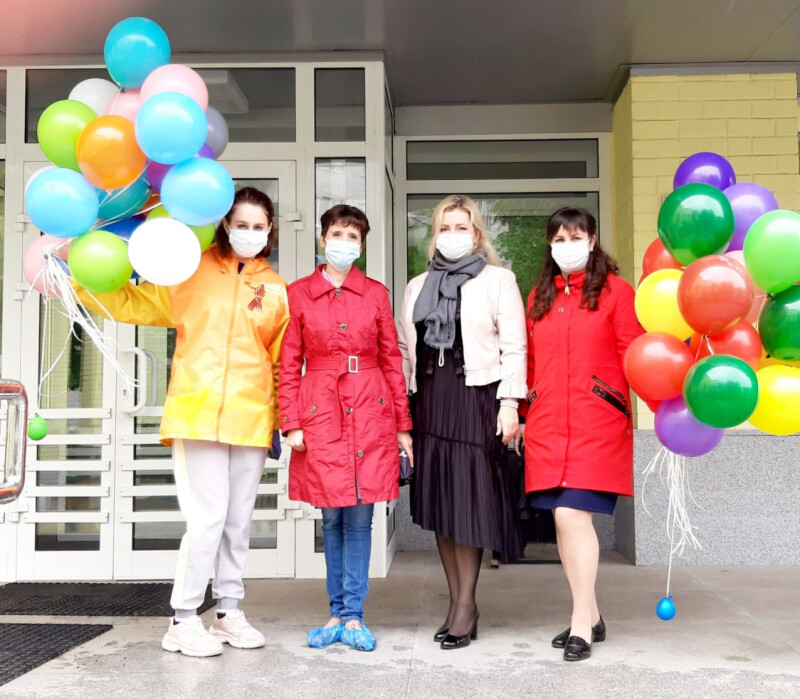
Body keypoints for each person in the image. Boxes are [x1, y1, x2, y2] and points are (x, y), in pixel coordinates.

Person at [74, 187, 289, 657]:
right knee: (207, 519)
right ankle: (183, 618)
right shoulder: (191, 268)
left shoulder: (275, 288)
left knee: (237, 523)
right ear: (225, 225)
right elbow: (133, 302)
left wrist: (279, 418)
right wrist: (80, 278)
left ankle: (228, 611)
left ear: (270, 230)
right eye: (241, 224)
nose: (250, 233)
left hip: (251, 419)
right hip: (196, 413)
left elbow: (279, 360)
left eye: (258, 226)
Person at [279, 205, 413, 653]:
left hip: (372, 408)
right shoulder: (298, 293)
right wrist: (291, 421)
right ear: (323, 239)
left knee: (360, 519)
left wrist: (402, 425)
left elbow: (392, 358)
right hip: (320, 408)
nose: (344, 243)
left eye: (353, 236)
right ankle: (336, 613)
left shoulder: (375, 294)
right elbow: (288, 362)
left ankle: (353, 615)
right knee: (331, 517)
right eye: (338, 234)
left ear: (362, 245)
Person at [397, 195, 527, 650]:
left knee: (467, 502)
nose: (452, 235)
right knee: (441, 503)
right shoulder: (417, 285)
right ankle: (456, 604)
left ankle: (466, 607)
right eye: (445, 227)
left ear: (476, 235)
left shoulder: (498, 280)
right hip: (430, 400)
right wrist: (401, 410)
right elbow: (404, 349)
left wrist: (510, 403)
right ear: (435, 234)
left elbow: (515, 346)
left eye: (462, 227)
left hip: (475, 398)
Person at [516, 207, 643, 662]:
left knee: (573, 515)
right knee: (561, 519)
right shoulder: (540, 296)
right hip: (548, 423)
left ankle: (580, 625)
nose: (567, 246)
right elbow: (531, 361)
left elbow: (634, 352)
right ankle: (592, 613)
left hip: (597, 420)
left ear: (591, 242)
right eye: (559, 239)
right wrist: (525, 413)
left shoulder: (617, 292)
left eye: (576, 238)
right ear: (550, 245)